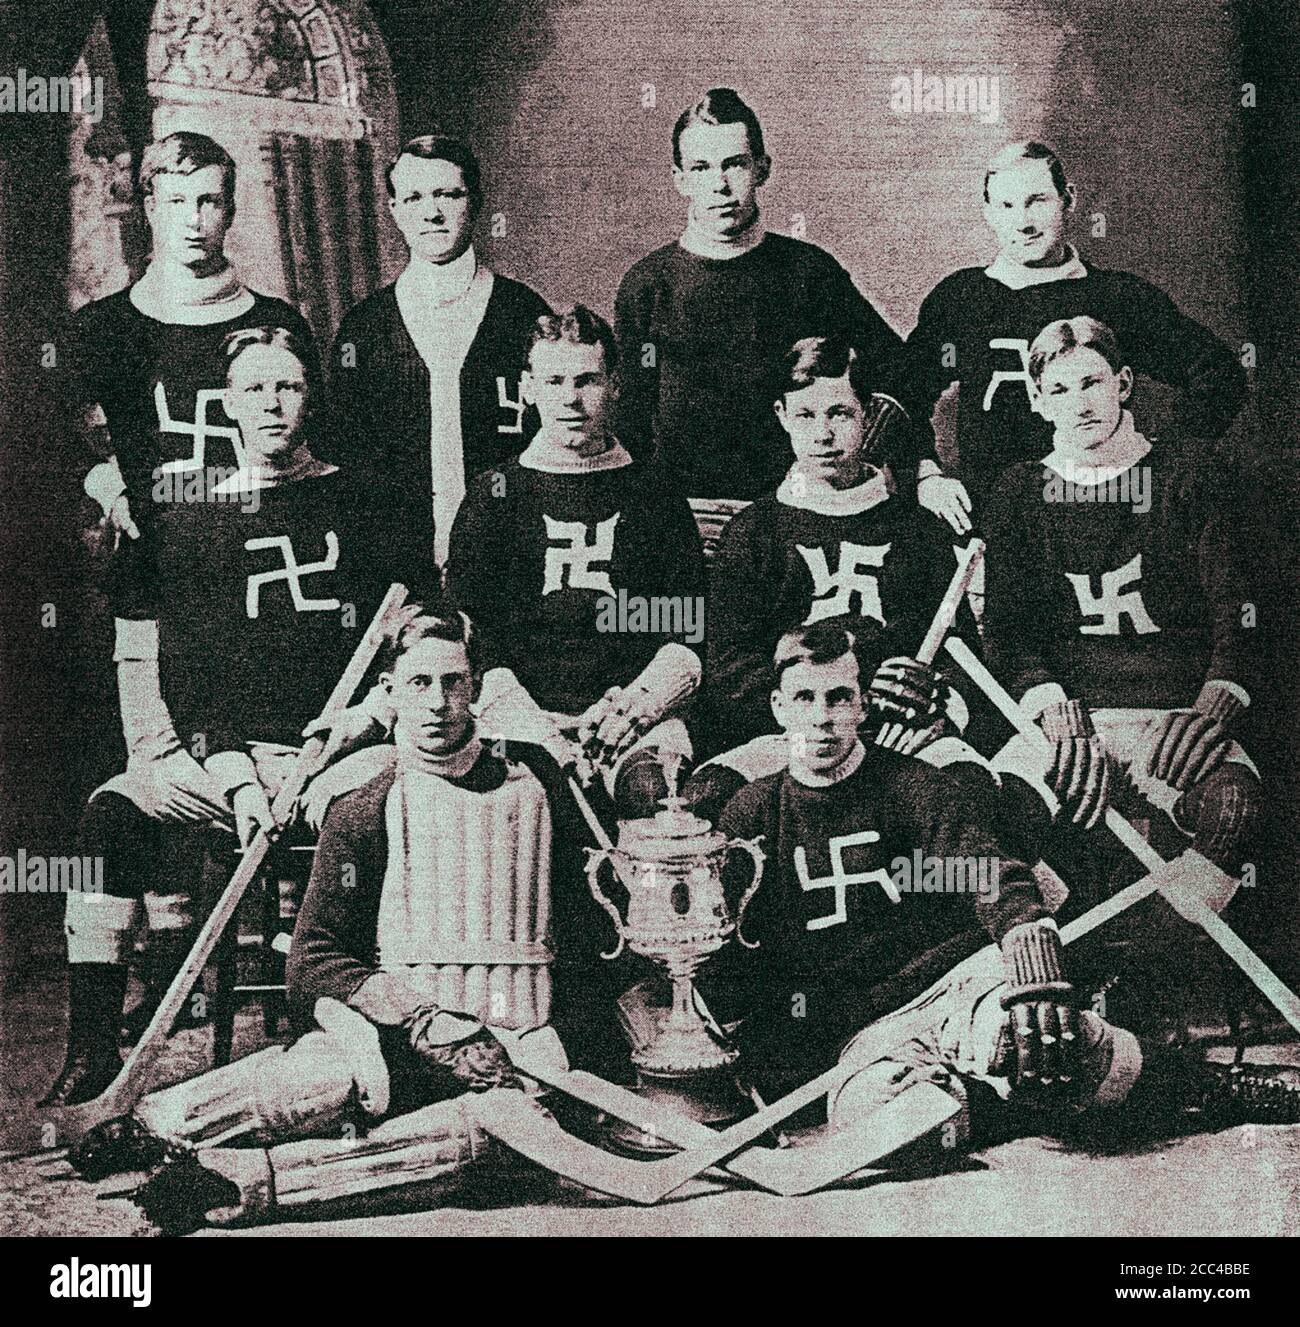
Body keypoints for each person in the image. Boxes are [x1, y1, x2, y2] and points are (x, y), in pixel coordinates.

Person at [68, 610, 634, 1233]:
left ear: (477, 687)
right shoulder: (365, 806)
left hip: (525, 1043)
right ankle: (154, 1128)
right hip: (407, 1036)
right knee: (319, 1080)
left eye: (453, 682)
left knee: (497, 1136)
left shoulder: (539, 786)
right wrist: (423, 1020)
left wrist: (562, 1042)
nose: (438, 703)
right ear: (389, 694)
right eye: (419, 684)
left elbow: (597, 941)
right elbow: (312, 958)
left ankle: (237, 1185)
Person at [698, 624, 1298, 1162]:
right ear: (779, 707)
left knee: (1038, 1037)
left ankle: (1206, 1086)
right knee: (880, 1124)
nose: (822, 718)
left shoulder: (912, 785)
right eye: (804, 698)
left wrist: (1032, 963)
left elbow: (987, 870)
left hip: (955, 980)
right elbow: (738, 940)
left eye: (839, 698)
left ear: (862, 708)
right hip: (867, 1026)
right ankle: (1007, 1104)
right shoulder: (752, 811)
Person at [41, 326, 430, 1106]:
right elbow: (191, 674)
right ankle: (90, 1052)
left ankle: (340, 1034)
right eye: (255, 389)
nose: (273, 403)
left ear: (310, 395)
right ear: (228, 403)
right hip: (225, 759)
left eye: (287, 386)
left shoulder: (368, 499)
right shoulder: (194, 516)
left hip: (344, 750)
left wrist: (363, 719)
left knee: (368, 808)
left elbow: (422, 631)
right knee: (111, 814)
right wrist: (240, 780)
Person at [982, 315, 1260, 870]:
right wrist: (1052, 710)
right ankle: (1047, 931)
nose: (1079, 402)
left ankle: (1175, 941)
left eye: (1092, 383)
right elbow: (1008, 632)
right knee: (991, 818)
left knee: (1233, 809)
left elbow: (1242, 612)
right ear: (1038, 402)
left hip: (1176, 714)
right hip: (1076, 722)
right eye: (1059, 390)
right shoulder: (1020, 490)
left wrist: (1215, 706)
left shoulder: (1188, 473)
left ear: (1124, 384)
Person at [906, 141, 1246, 536]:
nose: (1024, 222)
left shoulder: (1117, 297)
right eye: (1007, 206)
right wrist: (926, 475)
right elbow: (901, 392)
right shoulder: (962, 297)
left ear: (1068, 199)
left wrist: (1159, 461)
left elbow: (1219, 375)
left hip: (1104, 522)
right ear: (988, 213)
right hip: (993, 525)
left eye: (1038, 201)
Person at [614, 88, 917, 525]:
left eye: (735, 164)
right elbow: (632, 416)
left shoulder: (809, 272)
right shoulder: (648, 284)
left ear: (762, 168)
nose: (720, 184)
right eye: (701, 167)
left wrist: (857, 453)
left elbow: (899, 365)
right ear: (680, 178)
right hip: (678, 513)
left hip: (792, 512)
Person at [446, 306, 707, 808]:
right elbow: (474, 631)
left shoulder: (653, 491)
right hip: (520, 714)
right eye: (554, 380)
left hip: (632, 715)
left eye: (586, 380)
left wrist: (639, 707)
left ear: (615, 385)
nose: (570, 398)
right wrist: (541, 733)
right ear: (528, 387)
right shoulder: (495, 493)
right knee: (527, 799)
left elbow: (688, 625)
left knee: (654, 796)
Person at [706, 333, 976, 755]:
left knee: (966, 786)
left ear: (868, 415)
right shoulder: (753, 531)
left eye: (840, 413)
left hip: (900, 741)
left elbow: (961, 656)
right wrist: (827, 715)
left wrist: (937, 709)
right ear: (782, 415)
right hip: (789, 738)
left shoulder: (917, 528)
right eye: (806, 415)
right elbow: (731, 671)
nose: (823, 434)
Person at [68, 132, 314, 549]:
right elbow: (44, 434)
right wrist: (111, 491)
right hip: (156, 559)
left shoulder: (277, 320)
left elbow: (320, 442)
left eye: (208, 201)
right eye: (176, 202)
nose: (194, 220)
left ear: (230, 210)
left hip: (266, 547)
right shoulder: (102, 327)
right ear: (150, 209)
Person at [325, 135, 551, 564]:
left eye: (448, 194)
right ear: (393, 210)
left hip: (514, 547)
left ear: (475, 201)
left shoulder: (523, 313)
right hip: (396, 555)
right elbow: (344, 452)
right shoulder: (364, 328)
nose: (431, 213)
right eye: (413, 198)